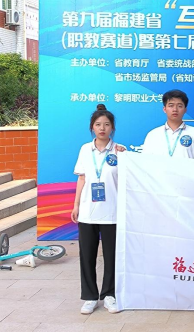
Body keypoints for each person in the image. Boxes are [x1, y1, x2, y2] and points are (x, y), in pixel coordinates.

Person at [72, 104, 122, 315]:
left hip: (113, 212)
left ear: (112, 128)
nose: (102, 128)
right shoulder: (85, 149)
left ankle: (110, 295)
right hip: (88, 212)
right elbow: (82, 179)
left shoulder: (120, 151)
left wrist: (126, 156)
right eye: (98, 124)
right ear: (92, 127)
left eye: (107, 124)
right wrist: (76, 205)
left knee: (112, 256)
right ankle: (90, 297)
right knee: (87, 255)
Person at [142, 89, 194, 159]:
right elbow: (146, 161)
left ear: (185, 110)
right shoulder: (153, 135)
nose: (175, 109)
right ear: (164, 109)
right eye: (171, 106)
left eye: (179, 106)